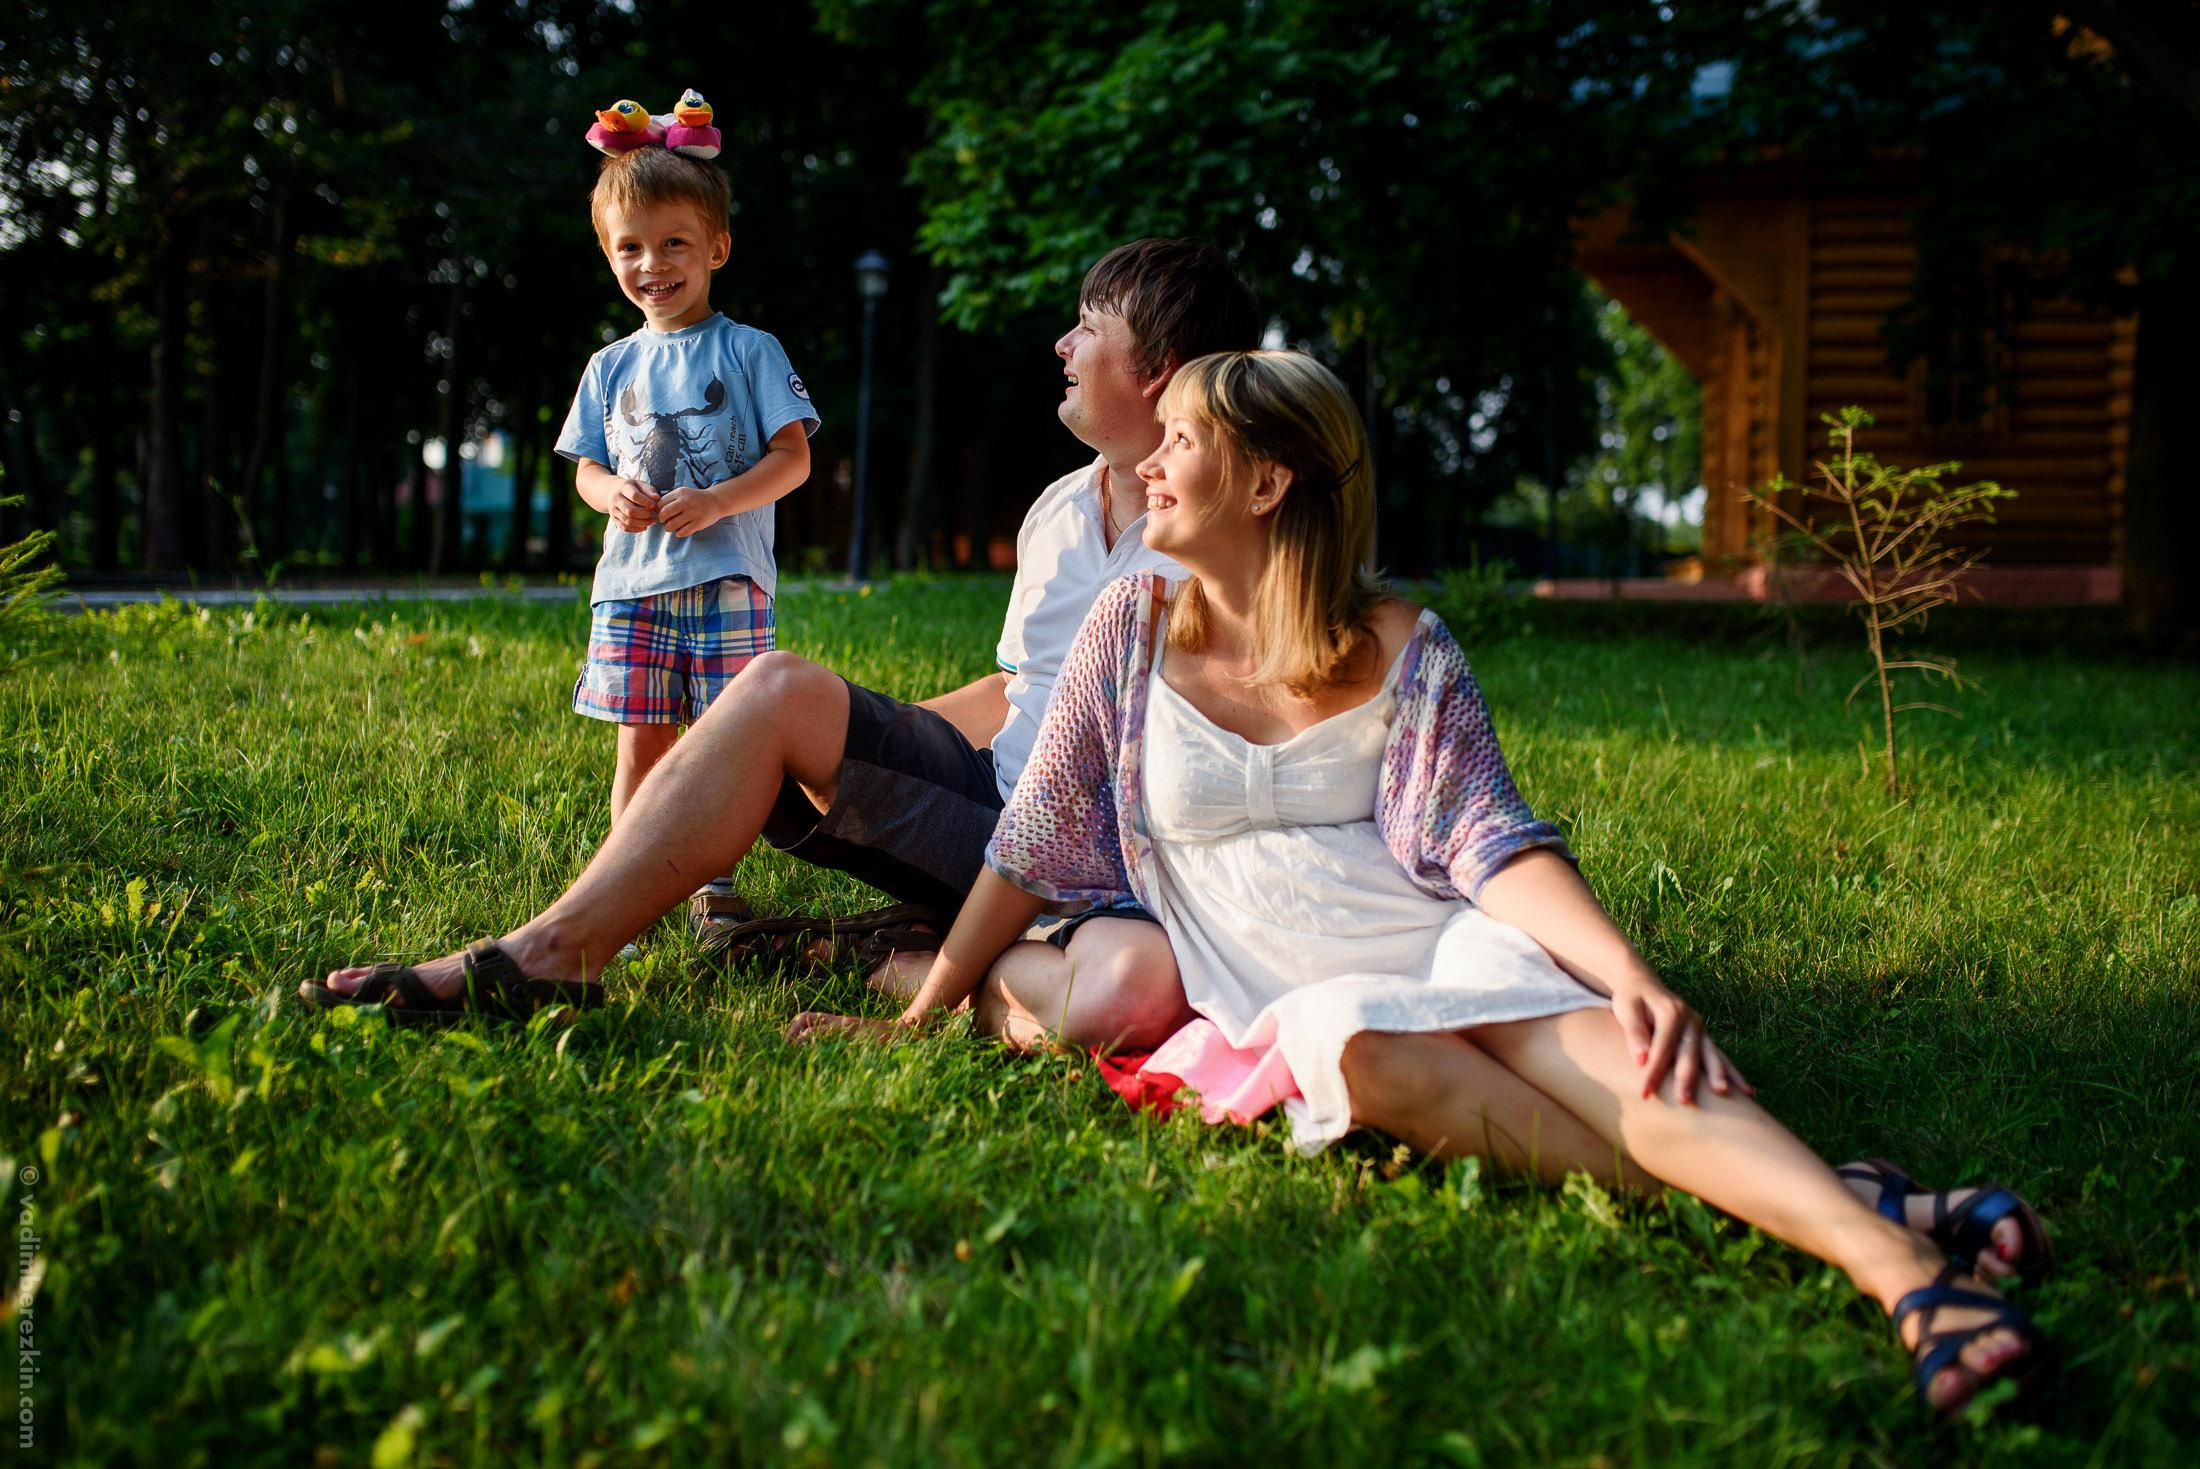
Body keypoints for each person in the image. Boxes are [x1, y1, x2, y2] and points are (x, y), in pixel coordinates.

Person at [788, 350, 2052, 1416]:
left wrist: (1627, 974)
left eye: (1181, 440)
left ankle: (1896, 1267)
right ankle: (1834, 1195)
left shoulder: (1400, 642)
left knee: (1621, 1056)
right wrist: (922, 1007)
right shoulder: (1130, 632)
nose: (1152, 462)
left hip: (1437, 938)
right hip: (1287, 985)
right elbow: (1033, 842)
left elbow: (1486, 837)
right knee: (1354, 1047)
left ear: (1269, 479)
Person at [299, 239, 1253, 1051]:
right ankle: (551, 954)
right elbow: (1020, 685)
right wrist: (842, 748)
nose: (1064, 342)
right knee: (774, 692)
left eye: (1088, 325)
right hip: (990, 809)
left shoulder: (1229, 542)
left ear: (1157, 367)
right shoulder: (1056, 510)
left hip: (1108, 865)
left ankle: (915, 961)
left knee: (1123, 991)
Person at [557, 132, 817, 921]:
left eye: (675, 243)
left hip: (728, 581)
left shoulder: (749, 350)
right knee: (641, 742)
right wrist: (612, 498)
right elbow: (587, 469)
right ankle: (623, 897)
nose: (653, 264)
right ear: (609, 256)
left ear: (717, 247)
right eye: (631, 247)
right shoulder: (609, 366)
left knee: (719, 750)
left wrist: (719, 500)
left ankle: (714, 891)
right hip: (632, 585)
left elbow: (792, 459)